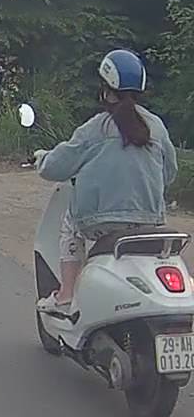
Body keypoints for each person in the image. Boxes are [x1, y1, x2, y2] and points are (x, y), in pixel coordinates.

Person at [35, 49, 179, 313]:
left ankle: (66, 294)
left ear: (105, 88)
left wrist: (41, 159)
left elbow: (56, 167)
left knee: (70, 226)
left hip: (99, 224)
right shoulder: (156, 126)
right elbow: (169, 173)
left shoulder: (95, 128)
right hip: (149, 222)